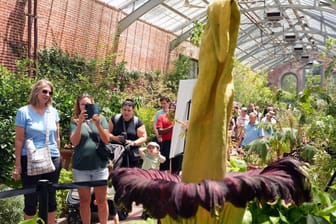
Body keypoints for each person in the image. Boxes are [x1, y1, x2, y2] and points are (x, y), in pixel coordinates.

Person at [12, 79, 62, 224]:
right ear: (36, 92)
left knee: (50, 199)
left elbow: (57, 137)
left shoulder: (53, 112)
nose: (47, 95)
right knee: (31, 199)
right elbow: (19, 140)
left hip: (52, 158)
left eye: (50, 92)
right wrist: (17, 166)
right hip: (30, 159)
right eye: (44, 91)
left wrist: (58, 155)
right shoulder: (23, 112)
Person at [69, 94, 112, 224]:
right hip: (81, 167)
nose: (85, 107)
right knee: (84, 201)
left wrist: (98, 124)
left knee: (101, 200)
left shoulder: (102, 119)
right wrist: (80, 123)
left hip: (99, 166)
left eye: (88, 104)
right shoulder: (74, 121)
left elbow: (107, 139)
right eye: (83, 104)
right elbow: (74, 142)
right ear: (79, 106)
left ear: (93, 104)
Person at [108, 99, 147, 168]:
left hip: (131, 154)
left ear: (133, 111)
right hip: (116, 153)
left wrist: (133, 143)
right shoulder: (115, 119)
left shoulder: (137, 122)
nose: (126, 112)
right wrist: (115, 138)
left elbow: (144, 137)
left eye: (129, 110)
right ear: (121, 110)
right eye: (124, 110)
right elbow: (107, 133)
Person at [156, 102, 176, 172]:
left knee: (175, 168)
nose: (172, 110)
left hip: (177, 144)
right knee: (164, 167)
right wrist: (171, 127)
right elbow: (160, 131)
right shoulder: (162, 117)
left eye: (174, 108)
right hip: (166, 143)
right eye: (171, 107)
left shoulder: (180, 118)